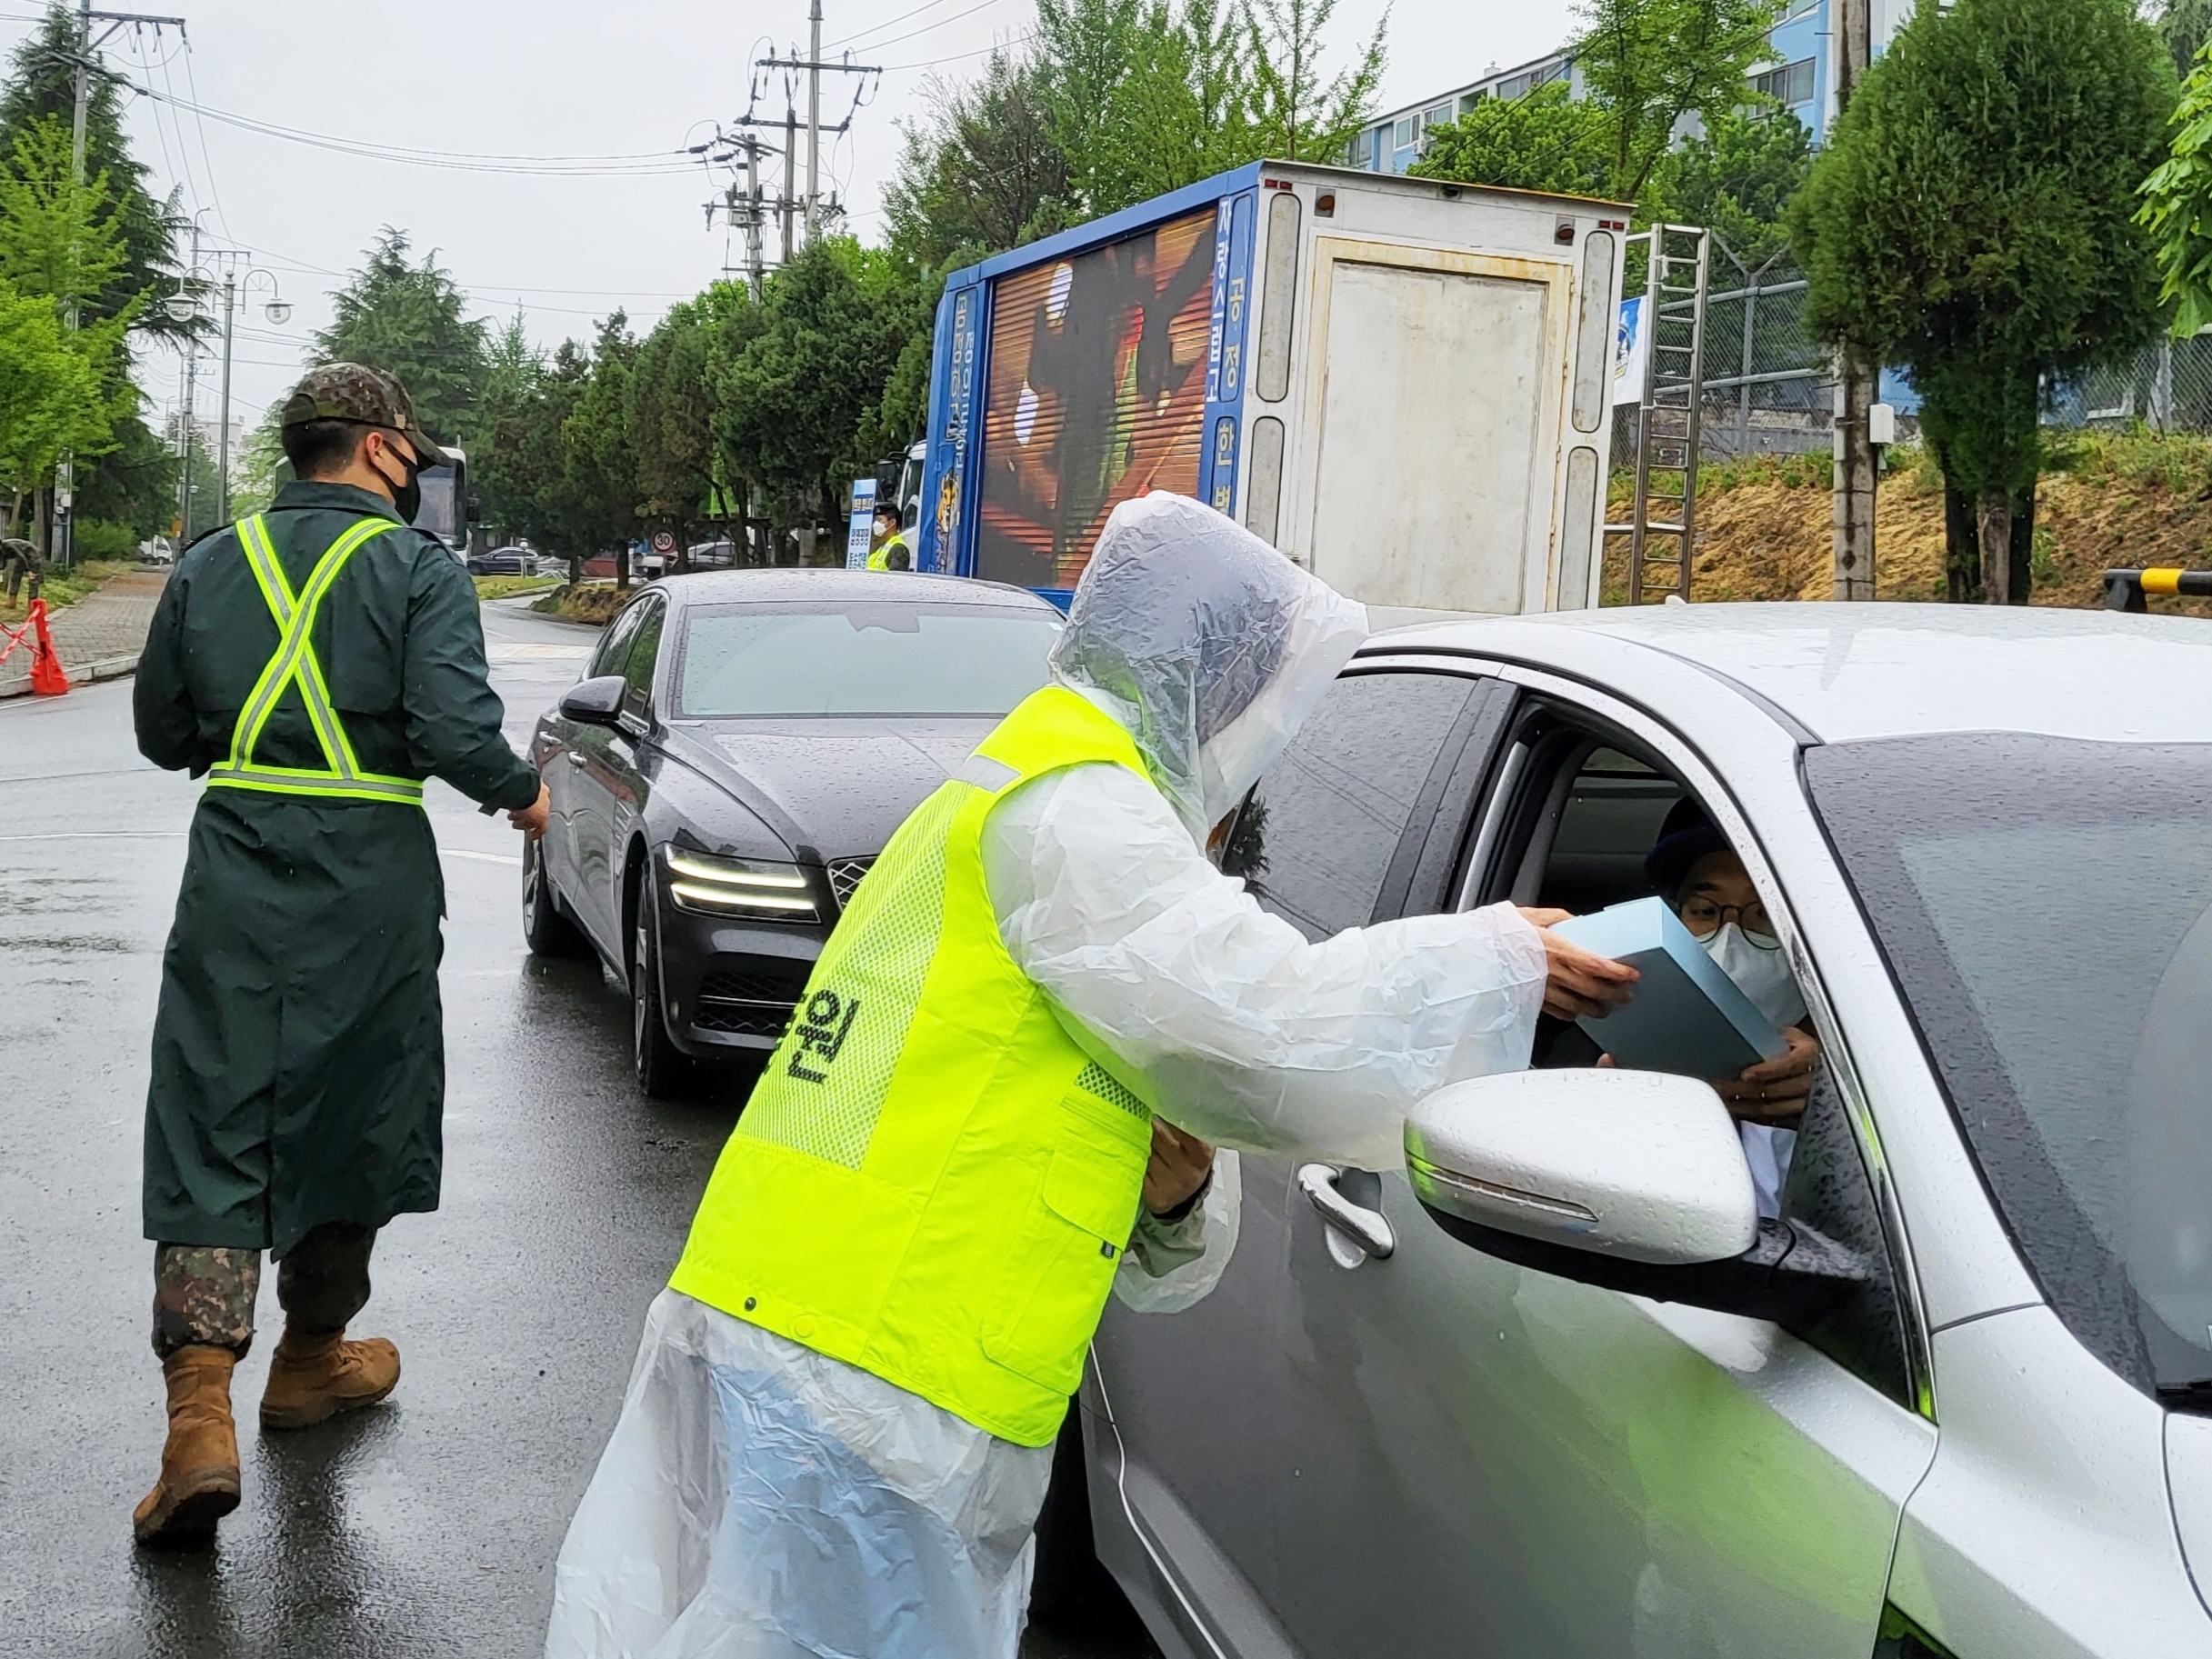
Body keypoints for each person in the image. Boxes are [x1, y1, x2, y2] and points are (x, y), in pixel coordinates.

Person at [544, 492, 1636, 1657]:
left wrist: (1176, 1196)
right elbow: (1266, 1029)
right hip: (874, 1371)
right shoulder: (1079, 807)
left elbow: (1118, 1091)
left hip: (836, 1335)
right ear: (1210, 675)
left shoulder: (1030, 785)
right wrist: (1496, 960)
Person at [128, 363, 552, 1549]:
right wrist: (523, 794)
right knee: (354, 1109)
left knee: (213, 1115)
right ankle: (311, 1356)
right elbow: (452, 727)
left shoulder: (211, 562)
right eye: (411, 451)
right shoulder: (419, 569)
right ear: (376, 448)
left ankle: (198, 1421)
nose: (415, 471)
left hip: (235, 872)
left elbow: (163, 732)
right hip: (370, 883)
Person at [1638, 799, 1822, 1215]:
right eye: (1704, 911)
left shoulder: (1880, 1072)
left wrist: (1833, 1105)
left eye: (1765, 916)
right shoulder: (1604, 1062)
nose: (1731, 938)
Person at [866, 501, 913, 570]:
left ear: (892, 522)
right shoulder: (882, 547)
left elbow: (895, 575)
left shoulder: (898, 548)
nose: (875, 524)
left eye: (879, 520)